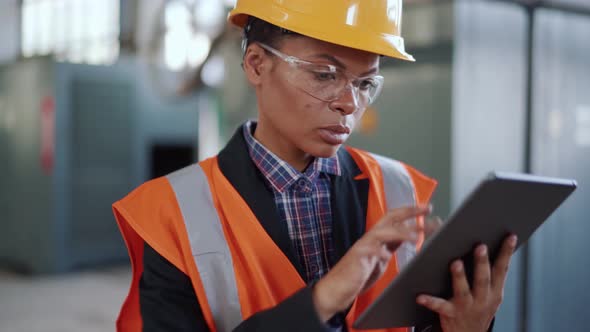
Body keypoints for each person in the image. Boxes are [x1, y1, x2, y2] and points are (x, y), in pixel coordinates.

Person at [112, 1, 517, 331]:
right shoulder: (171, 214)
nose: (349, 103)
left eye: (364, 84)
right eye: (325, 74)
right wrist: (322, 300)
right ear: (256, 65)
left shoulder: (396, 188)